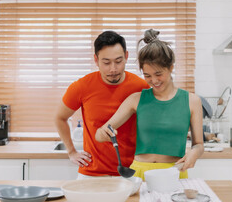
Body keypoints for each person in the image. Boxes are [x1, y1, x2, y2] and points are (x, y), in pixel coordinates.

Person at [95, 29, 204, 180]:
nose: (154, 80)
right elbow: (100, 133)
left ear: (171, 67)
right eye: (147, 75)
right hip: (140, 173)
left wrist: (194, 152)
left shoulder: (192, 101)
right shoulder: (136, 99)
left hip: (174, 172)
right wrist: (104, 133)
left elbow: (199, 144)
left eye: (159, 74)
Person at [55, 31, 149, 178]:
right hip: (91, 173)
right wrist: (72, 152)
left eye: (118, 61)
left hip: (131, 172)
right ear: (96, 59)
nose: (113, 69)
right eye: (106, 62)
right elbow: (60, 118)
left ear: (126, 56)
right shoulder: (82, 86)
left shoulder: (141, 87)